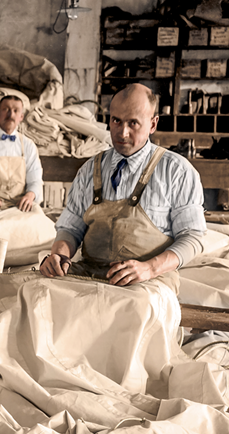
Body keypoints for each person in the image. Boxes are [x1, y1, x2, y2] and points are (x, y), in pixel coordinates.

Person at [40, 83, 206, 286]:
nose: (122, 132)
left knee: (135, 313)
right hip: (89, 275)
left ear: (153, 124)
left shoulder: (177, 171)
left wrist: (149, 268)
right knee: (37, 297)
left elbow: (193, 238)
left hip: (149, 281)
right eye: (116, 121)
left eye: (133, 123)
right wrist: (59, 255)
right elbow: (71, 229)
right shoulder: (89, 170)